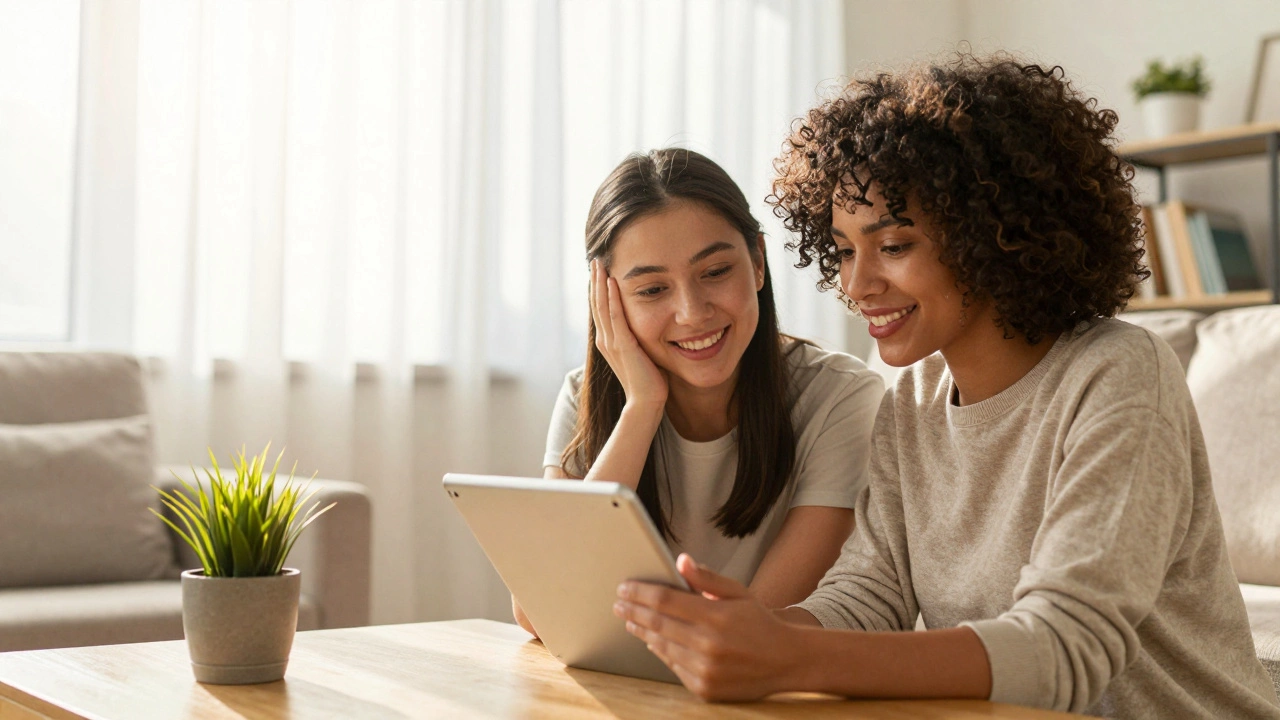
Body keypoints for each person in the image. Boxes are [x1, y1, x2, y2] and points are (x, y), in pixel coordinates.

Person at [610, 56, 1280, 718]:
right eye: (844, 250)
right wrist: (765, 634)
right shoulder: (912, 398)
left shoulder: (1117, 373)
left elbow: (1065, 647)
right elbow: (871, 595)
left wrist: (790, 657)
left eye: (893, 246)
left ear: (995, 234)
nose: (856, 284)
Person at [514, 148, 885, 637]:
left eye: (714, 273)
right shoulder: (585, 396)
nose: (692, 312)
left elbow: (754, 632)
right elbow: (539, 611)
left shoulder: (841, 397)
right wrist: (642, 409)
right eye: (651, 290)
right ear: (607, 300)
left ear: (756, 261)